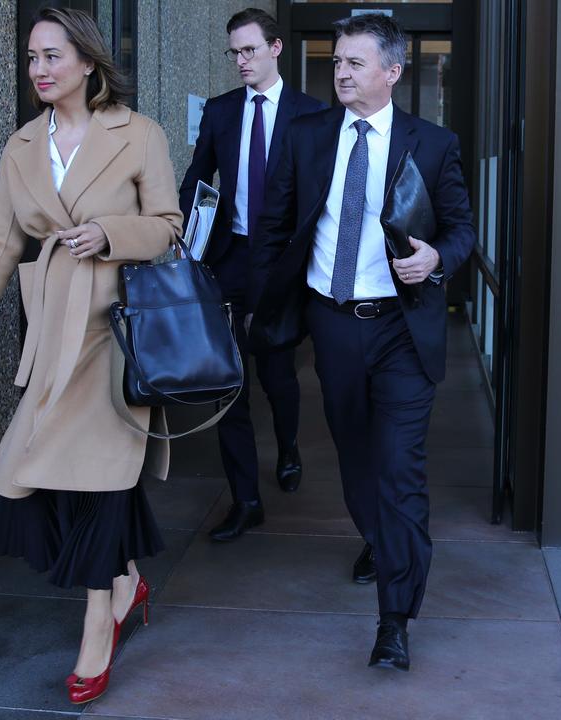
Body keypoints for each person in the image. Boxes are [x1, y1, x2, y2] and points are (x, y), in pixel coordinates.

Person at [0, 7, 181, 705]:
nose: (39, 69)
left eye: (52, 56)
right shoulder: (22, 147)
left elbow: (167, 228)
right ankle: (124, 581)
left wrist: (107, 232)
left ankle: (101, 619)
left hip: (115, 329)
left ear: (88, 62)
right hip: (49, 334)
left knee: (102, 479)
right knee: (28, 478)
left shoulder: (139, 135)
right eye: (32, 57)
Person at [249, 14, 475, 672]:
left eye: (355, 63)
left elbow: (462, 229)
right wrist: (261, 304)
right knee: (355, 458)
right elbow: (275, 226)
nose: (341, 72)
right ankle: (379, 539)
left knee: (400, 470)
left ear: (393, 72)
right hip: (333, 323)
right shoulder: (306, 136)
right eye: (338, 61)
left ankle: (395, 619)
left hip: (403, 329)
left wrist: (436, 257)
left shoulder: (432, 144)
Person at [180, 8, 325, 542]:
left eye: (249, 50)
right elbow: (197, 179)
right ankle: (245, 499)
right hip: (228, 257)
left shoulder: (310, 115)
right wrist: (186, 240)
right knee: (228, 381)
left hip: (281, 263)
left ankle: (288, 445)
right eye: (234, 52)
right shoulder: (219, 113)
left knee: (277, 372)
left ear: (275, 48)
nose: (240, 61)